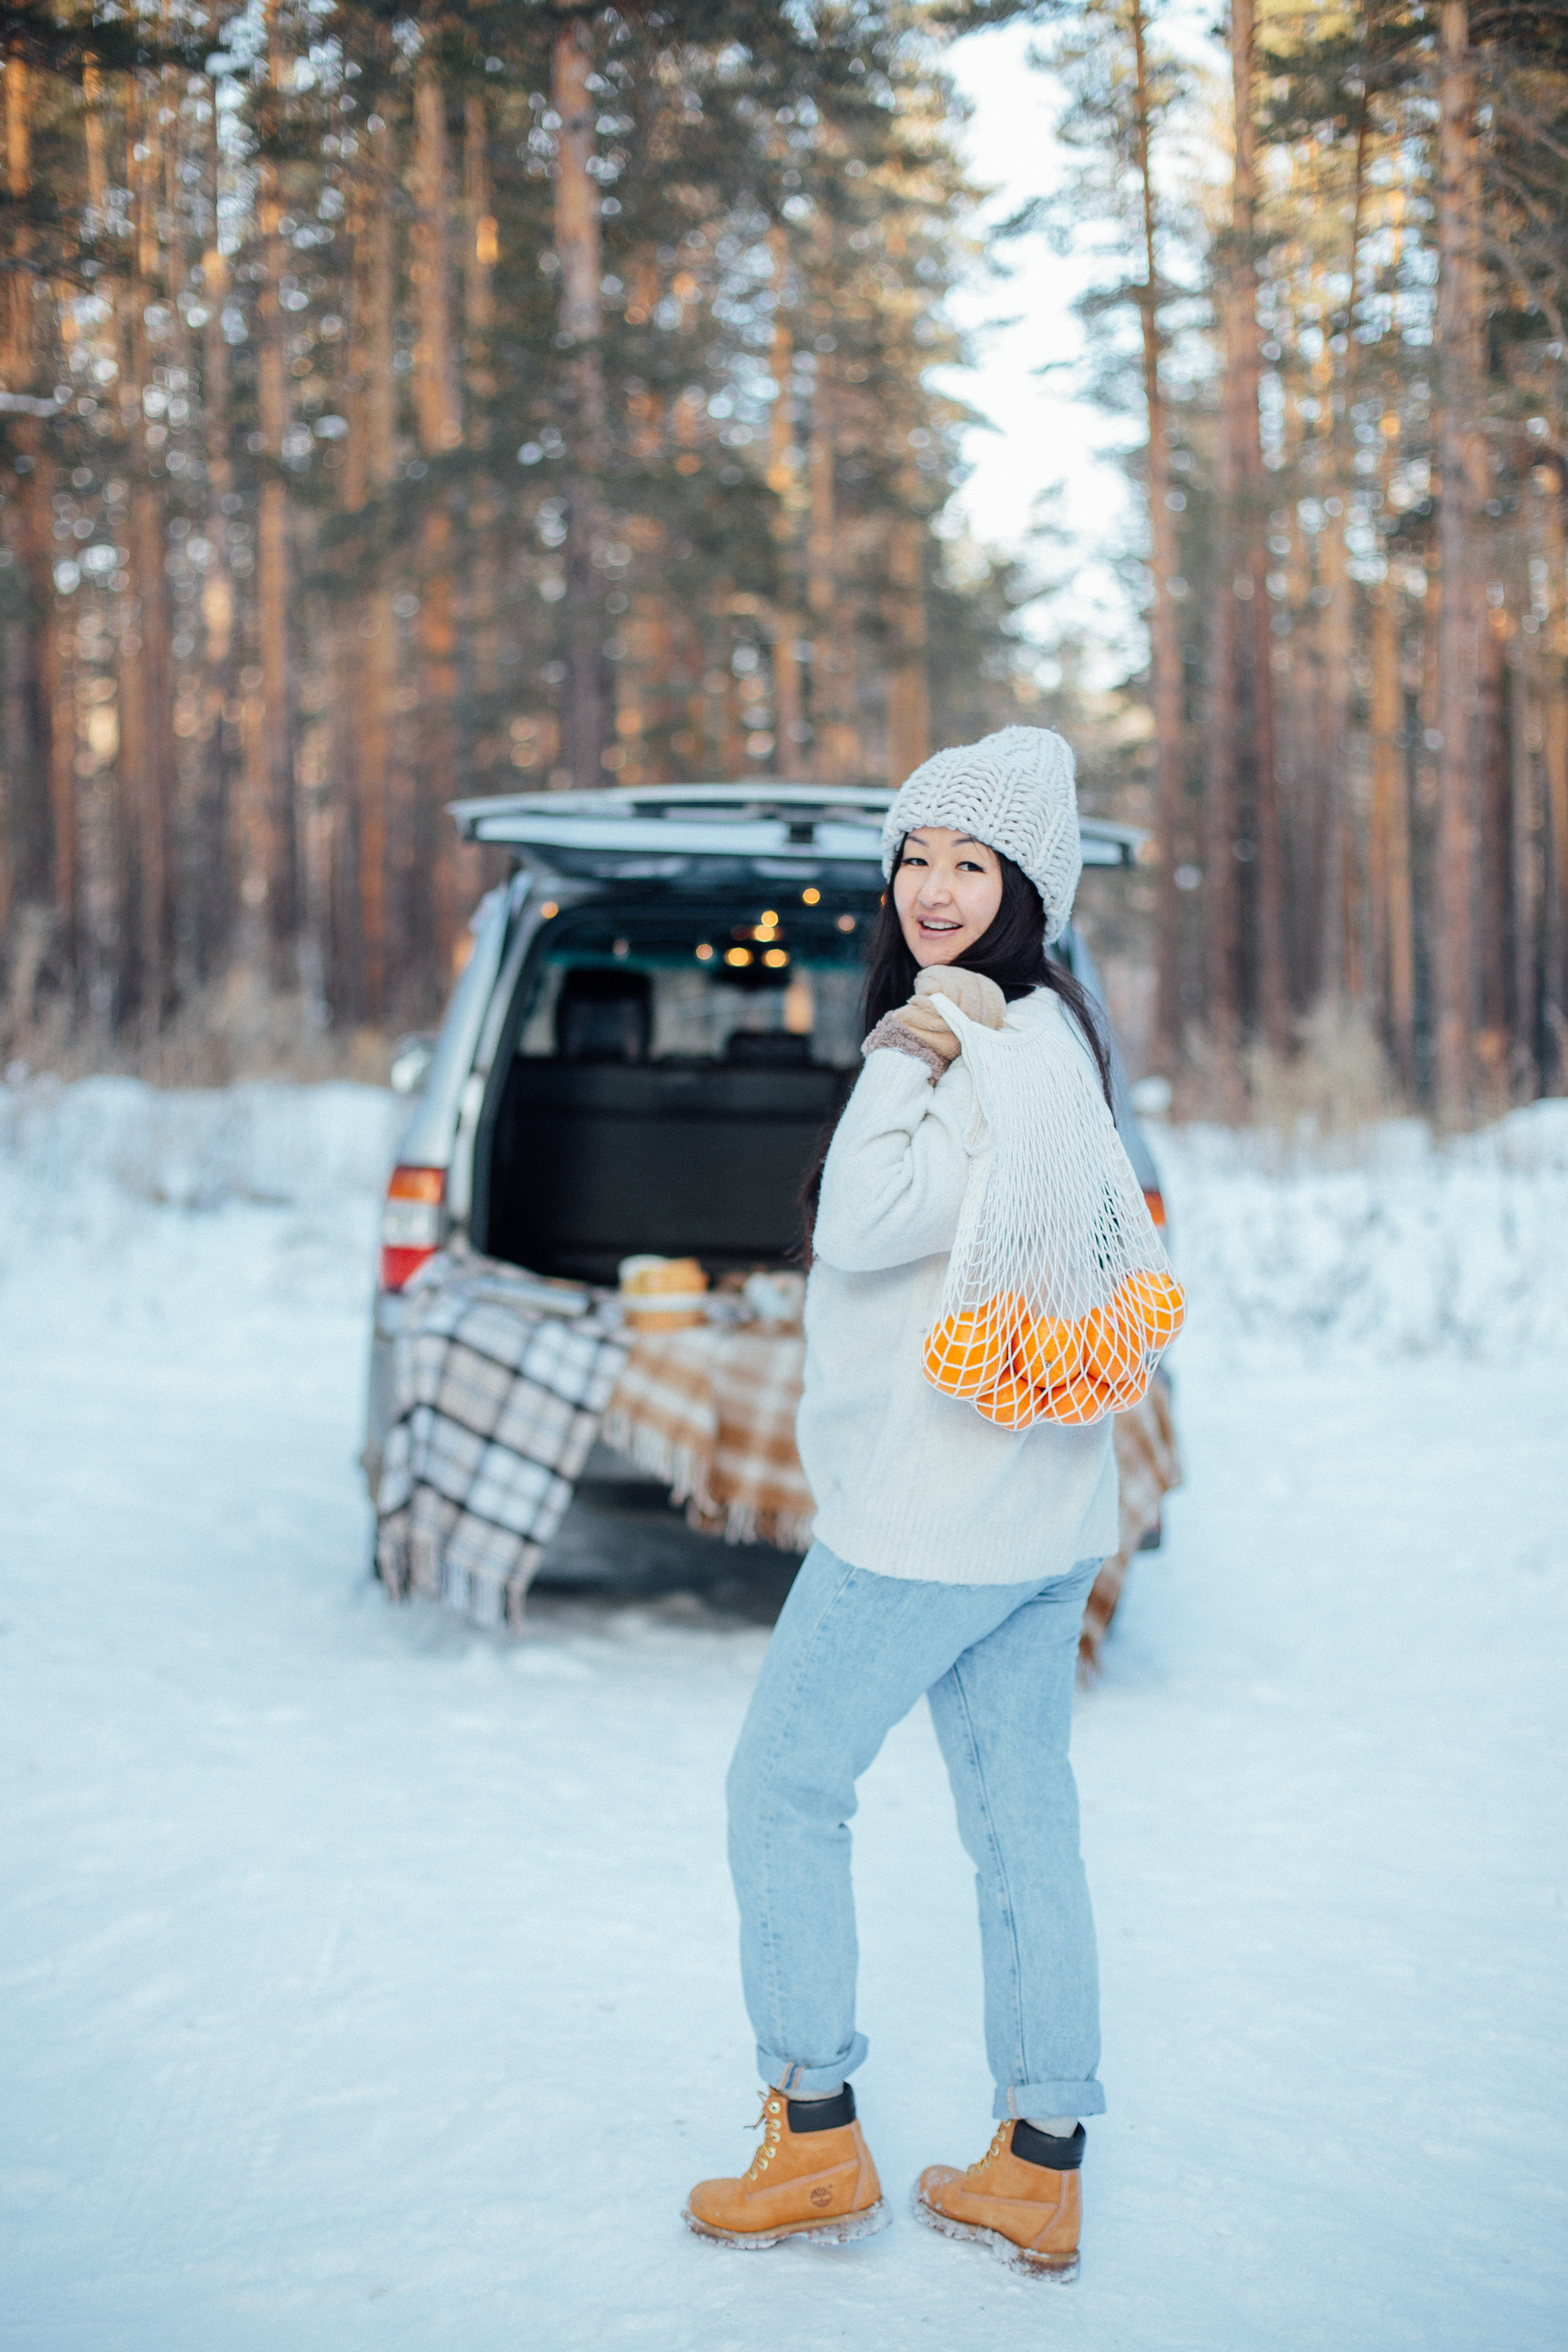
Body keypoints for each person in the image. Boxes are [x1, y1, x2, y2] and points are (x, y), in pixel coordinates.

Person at [684, 726, 1120, 2282]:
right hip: (1044, 1512)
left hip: (930, 1518)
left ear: (1023, 885)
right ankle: (1038, 2159)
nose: (933, 890)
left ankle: (810, 2137)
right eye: (915, 857)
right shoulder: (1060, 1042)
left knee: (779, 1793)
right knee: (1022, 1830)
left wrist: (907, 1047)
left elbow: (865, 1225)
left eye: (969, 863)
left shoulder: (973, 1043)